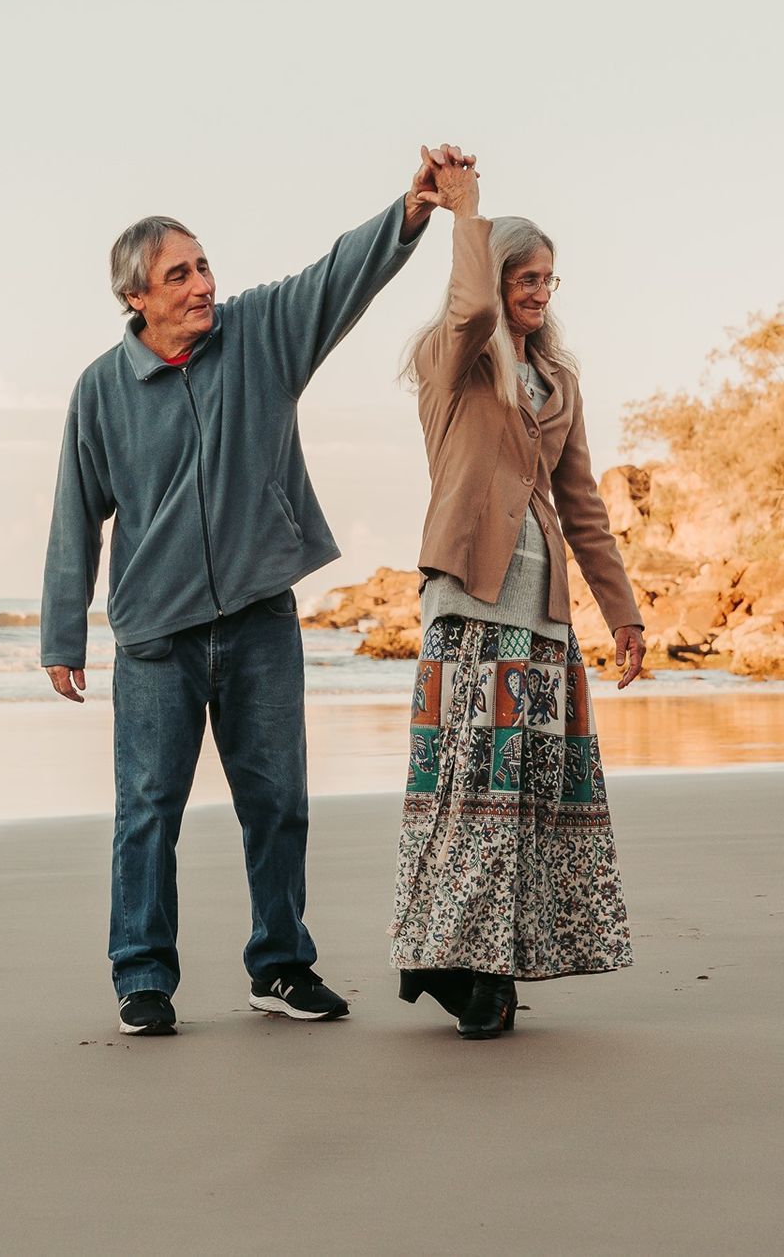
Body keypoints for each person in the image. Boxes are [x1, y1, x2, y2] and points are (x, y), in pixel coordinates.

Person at [41, 145, 472, 1036]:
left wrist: (413, 210)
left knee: (278, 800)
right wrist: (61, 632)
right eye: (179, 273)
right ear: (138, 297)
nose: (202, 283)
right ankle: (143, 974)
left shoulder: (262, 335)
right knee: (146, 811)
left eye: (203, 264)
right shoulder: (101, 390)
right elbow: (74, 514)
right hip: (156, 635)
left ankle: (280, 964)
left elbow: (335, 276)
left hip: (259, 619)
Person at [389, 152, 646, 1039]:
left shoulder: (559, 382)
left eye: (548, 278)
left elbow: (581, 503)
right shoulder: (452, 361)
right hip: (468, 602)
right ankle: (455, 962)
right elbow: (468, 310)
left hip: (542, 619)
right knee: (471, 791)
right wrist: (466, 212)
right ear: (495, 277)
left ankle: (482, 968)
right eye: (525, 277)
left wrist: (622, 611)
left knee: (526, 794)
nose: (541, 292)